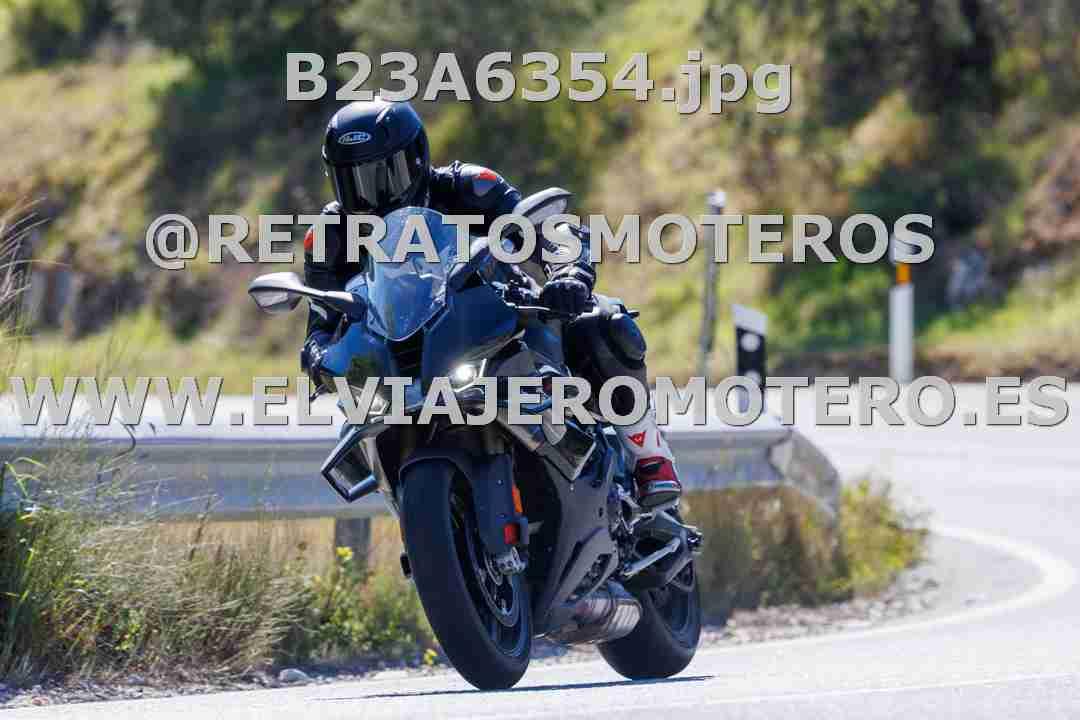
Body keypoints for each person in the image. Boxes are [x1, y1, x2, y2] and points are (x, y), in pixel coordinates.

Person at [300, 98, 680, 508]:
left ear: (416, 159)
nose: (369, 195)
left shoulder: (470, 188)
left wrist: (569, 273)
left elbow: (549, 232)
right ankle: (422, 515)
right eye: (351, 180)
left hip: (493, 322)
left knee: (602, 322)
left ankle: (649, 457)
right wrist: (318, 354)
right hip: (402, 359)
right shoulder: (330, 236)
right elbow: (322, 323)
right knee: (359, 418)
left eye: (381, 175)